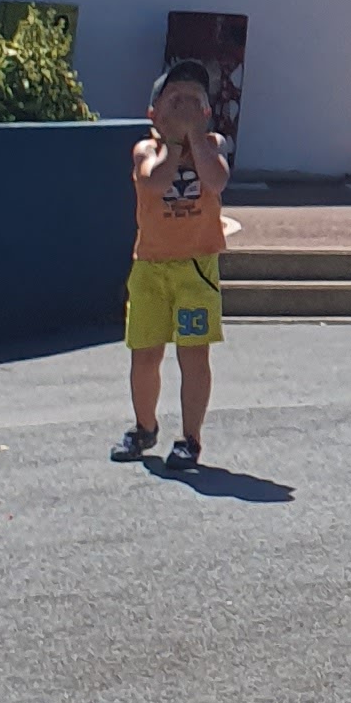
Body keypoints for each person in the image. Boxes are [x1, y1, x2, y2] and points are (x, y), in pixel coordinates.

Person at [114, 58, 229, 468]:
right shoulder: (146, 149)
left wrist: (195, 137)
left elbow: (216, 180)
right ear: (154, 113)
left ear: (206, 111)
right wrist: (175, 143)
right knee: (145, 353)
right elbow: (155, 181)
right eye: (174, 99)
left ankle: (190, 438)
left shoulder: (211, 145)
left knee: (193, 354)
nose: (184, 107)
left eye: (193, 100)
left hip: (195, 267)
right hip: (150, 266)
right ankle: (144, 426)